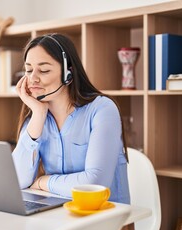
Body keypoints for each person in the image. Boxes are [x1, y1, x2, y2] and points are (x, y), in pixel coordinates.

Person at [12, 33, 130, 204]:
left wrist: (43, 182)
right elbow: (17, 179)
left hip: (108, 221)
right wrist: (38, 115)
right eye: (29, 70)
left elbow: (95, 184)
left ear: (68, 73)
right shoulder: (37, 116)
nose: (32, 78)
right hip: (61, 216)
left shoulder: (102, 109)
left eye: (44, 70)